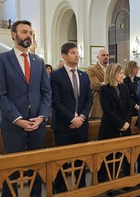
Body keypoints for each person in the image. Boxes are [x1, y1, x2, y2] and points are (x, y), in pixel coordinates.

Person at [0, 20, 52, 197]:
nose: (28, 36)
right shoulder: (1, 59)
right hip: (13, 125)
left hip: (37, 124)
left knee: (36, 167)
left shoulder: (38, 61)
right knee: (12, 168)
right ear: (13, 34)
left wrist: (42, 116)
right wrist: (18, 120)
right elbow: (0, 95)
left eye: (30, 33)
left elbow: (46, 93)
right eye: (24, 32)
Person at [50, 42, 93, 193]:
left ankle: (81, 187)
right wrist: (71, 118)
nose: (77, 55)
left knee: (80, 158)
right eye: (73, 52)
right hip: (63, 126)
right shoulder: (55, 76)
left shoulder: (84, 75)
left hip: (81, 125)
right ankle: (61, 190)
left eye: (77, 52)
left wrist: (81, 117)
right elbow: (55, 102)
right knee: (62, 160)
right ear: (64, 55)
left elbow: (89, 99)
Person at [97, 63, 133, 182]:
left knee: (125, 153)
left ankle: (125, 177)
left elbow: (129, 106)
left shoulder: (124, 87)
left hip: (125, 126)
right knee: (109, 156)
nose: (123, 75)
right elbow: (107, 110)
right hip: (110, 127)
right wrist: (121, 124)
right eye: (121, 73)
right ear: (113, 74)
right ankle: (108, 179)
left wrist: (127, 122)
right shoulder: (104, 89)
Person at [87, 49, 109, 120]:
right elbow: (95, 85)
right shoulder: (92, 69)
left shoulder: (111, 68)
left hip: (111, 104)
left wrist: (104, 82)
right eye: (103, 55)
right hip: (99, 104)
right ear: (98, 57)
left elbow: (120, 83)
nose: (106, 57)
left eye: (107, 55)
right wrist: (111, 82)